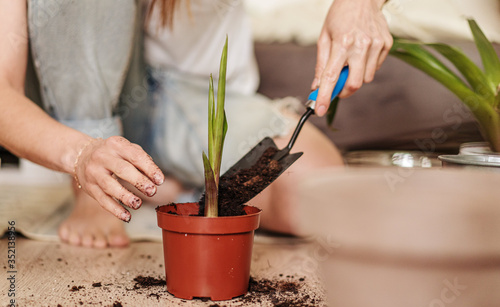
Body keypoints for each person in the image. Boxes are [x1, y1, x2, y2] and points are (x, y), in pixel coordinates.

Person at [0, 0, 390, 248]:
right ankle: (97, 189)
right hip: (87, 100)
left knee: (314, 193)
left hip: (183, 97)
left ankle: (166, 187)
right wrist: (83, 153)